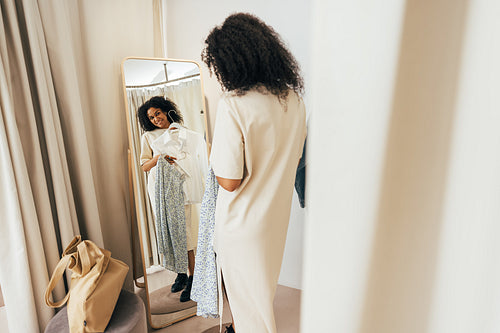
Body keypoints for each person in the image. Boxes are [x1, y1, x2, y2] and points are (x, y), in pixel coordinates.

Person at [202, 13, 307, 333]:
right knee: (259, 297)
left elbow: (229, 182)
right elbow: (297, 158)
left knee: (252, 311)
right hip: (274, 220)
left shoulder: (235, 103)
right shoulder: (293, 99)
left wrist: (212, 153)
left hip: (240, 224)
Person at [137, 96, 197, 302]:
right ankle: (180, 273)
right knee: (170, 231)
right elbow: (144, 166)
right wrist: (158, 158)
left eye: (157, 114)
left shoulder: (181, 131)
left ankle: (193, 277)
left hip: (181, 185)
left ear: (165, 110)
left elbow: (193, 156)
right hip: (159, 188)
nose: (155, 119)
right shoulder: (148, 137)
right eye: (151, 117)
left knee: (186, 231)